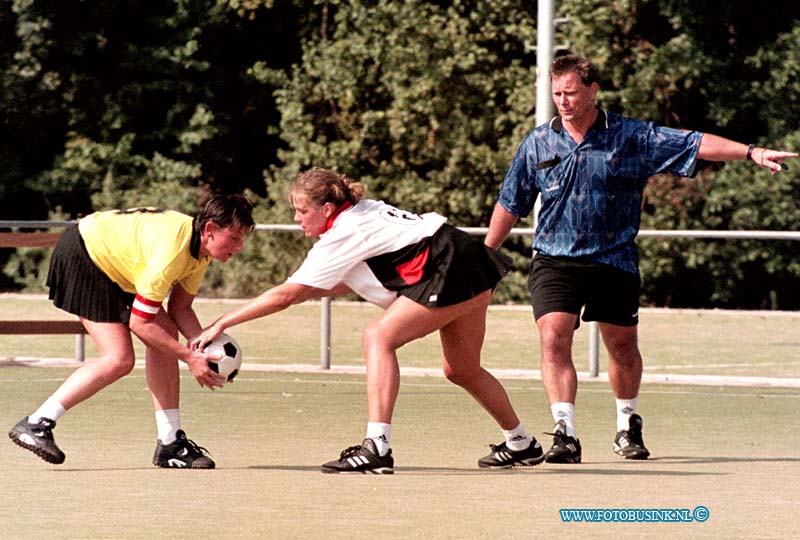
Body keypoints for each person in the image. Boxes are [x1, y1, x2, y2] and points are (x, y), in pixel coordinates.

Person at [485, 54, 798, 464]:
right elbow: (511, 203)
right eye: (557, 93)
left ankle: (626, 422)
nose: (563, 101)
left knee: (623, 348)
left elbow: (694, 142)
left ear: (593, 91)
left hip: (614, 259)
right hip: (555, 260)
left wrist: (751, 152)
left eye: (571, 93)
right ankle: (566, 433)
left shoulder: (631, 136)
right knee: (553, 338)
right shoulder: (538, 142)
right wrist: (487, 255)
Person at [191, 167, 543, 474]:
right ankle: (521, 441)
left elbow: (289, 293)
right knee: (462, 369)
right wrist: (304, 292)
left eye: (302, 210)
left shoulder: (346, 230)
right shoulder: (361, 214)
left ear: (326, 208)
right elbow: (336, 284)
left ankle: (377, 446)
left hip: (450, 267)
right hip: (469, 260)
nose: (297, 218)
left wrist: (222, 323)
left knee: (377, 337)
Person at [8, 195, 255, 468]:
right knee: (119, 358)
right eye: (234, 238)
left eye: (242, 239)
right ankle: (37, 422)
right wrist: (189, 357)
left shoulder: (200, 253)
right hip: (85, 254)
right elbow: (141, 324)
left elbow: (181, 308)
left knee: (166, 336)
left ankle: (170, 443)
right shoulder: (172, 252)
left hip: (114, 267)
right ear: (209, 229)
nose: (240, 247)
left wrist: (204, 349)